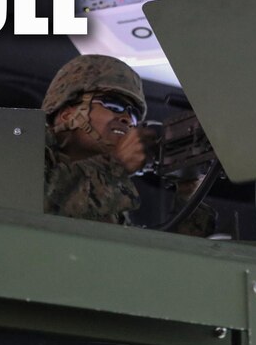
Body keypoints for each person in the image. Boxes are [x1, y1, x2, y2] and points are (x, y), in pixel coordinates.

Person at [41, 54, 216, 235]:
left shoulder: (109, 196)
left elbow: (163, 258)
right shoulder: (19, 153)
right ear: (67, 115)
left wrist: (189, 195)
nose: (126, 119)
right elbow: (30, 210)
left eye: (132, 114)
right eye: (113, 105)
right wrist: (117, 164)